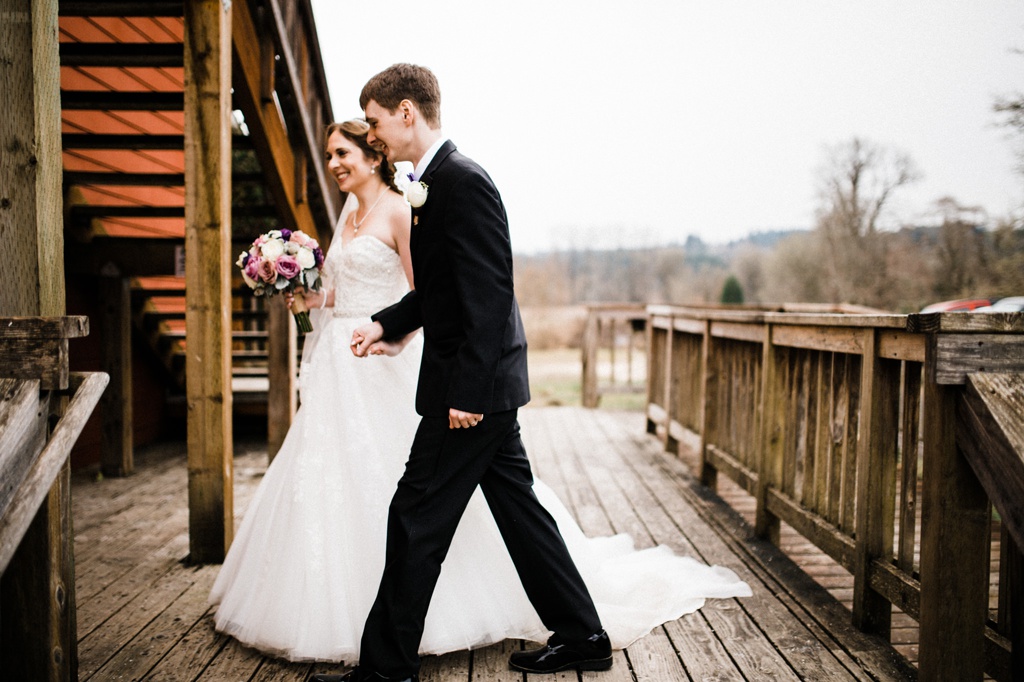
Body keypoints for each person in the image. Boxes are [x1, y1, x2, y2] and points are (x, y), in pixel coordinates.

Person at [327, 64, 750, 682]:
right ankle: (582, 635)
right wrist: (386, 323)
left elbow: (492, 296)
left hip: (470, 392)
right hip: (480, 388)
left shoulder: (462, 181)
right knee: (519, 513)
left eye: (375, 119)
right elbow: (445, 293)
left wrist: (468, 392)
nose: (373, 132)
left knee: (415, 517)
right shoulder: (430, 183)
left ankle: (384, 670)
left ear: (408, 113)